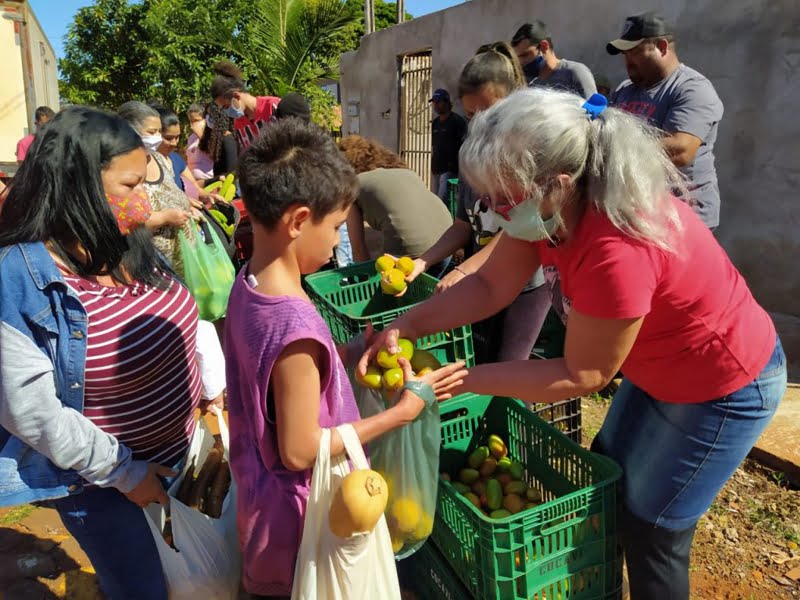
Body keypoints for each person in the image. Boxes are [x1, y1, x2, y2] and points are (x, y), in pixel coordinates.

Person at [359, 88, 786, 600]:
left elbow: (583, 375)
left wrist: (461, 380)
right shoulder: (544, 209)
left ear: (556, 183)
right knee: (610, 473)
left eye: (500, 199)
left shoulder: (617, 247)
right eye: (487, 199)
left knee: (655, 528)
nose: (492, 212)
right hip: (657, 366)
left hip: (722, 383)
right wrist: (407, 325)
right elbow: (491, 286)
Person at [226, 117, 466, 598]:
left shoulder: (249, 284)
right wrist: (402, 414)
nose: (338, 239)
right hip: (301, 522)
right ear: (297, 221)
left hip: (261, 501)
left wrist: (349, 351)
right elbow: (298, 449)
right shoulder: (293, 324)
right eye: (336, 226)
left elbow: (279, 381)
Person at [0, 107, 224, 599]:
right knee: (142, 589)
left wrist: (205, 379)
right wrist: (127, 473)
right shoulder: (20, 277)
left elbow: (182, 311)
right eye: (130, 186)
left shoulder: (123, 241)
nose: (145, 201)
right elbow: (32, 413)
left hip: (179, 457)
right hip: (103, 488)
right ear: (76, 185)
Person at [409, 43, 551, 364]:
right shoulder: (471, 154)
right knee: (482, 361)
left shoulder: (527, 158)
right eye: (472, 114)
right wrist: (423, 262)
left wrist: (462, 269)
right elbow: (463, 225)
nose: (481, 123)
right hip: (484, 281)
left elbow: (517, 231)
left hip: (525, 286)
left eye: (490, 112)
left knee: (510, 370)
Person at [607, 11, 724, 229]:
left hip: (686, 215)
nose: (628, 61)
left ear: (662, 47)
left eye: (634, 51)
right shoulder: (625, 90)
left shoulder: (692, 88)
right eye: (624, 54)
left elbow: (681, 150)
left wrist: (610, 150)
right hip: (640, 212)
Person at [338, 135, 453, 277]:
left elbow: (358, 248)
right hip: (447, 242)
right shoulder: (405, 173)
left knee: (399, 293)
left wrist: (365, 279)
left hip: (412, 249)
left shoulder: (353, 185)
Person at [118, 101, 199, 279]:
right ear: (129, 131)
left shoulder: (159, 159)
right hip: (155, 263)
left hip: (185, 256)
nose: (158, 138)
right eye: (152, 132)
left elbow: (172, 192)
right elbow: (124, 220)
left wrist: (188, 206)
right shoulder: (122, 170)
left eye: (159, 132)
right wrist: (164, 218)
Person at [152, 104, 219, 203]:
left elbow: (196, 188)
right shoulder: (147, 162)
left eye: (177, 137)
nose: (174, 143)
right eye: (168, 138)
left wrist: (209, 196)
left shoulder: (176, 159)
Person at [511, 22, 596, 99]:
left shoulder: (574, 72)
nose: (521, 61)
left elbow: (595, 111)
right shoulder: (525, 82)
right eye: (518, 57)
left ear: (544, 47)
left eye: (525, 55)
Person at [210, 60, 280, 151]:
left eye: (226, 107)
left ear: (236, 96)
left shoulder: (273, 107)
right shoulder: (239, 123)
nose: (226, 112)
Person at [430, 89, 467, 202]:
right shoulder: (435, 123)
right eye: (434, 102)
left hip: (450, 170)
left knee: (443, 200)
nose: (435, 105)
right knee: (435, 200)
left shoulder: (457, 122)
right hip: (436, 169)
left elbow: (464, 146)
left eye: (438, 102)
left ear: (446, 102)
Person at [200, 101, 239, 180]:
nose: (208, 118)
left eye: (211, 115)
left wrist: (205, 183)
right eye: (207, 115)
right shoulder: (217, 141)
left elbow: (231, 173)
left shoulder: (228, 140)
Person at [186, 102, 215, 185]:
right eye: (191, 121)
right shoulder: (191, 138)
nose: (193, 124)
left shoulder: (211, 135)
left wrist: (201, 135)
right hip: (194, 182)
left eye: (196, 120)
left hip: (209, 181)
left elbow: (214, 153)